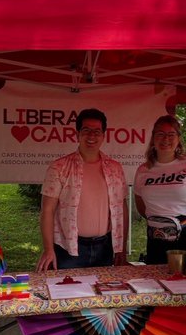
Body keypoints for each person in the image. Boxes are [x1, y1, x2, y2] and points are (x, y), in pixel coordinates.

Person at [37, 109, 129, 271]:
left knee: (103, 295)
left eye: (97, 131)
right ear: (77, 134)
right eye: (86, 130)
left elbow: (122, 208)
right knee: (67, 295)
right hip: (68, 249)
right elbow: (47, 210)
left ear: (103, 135)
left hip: (105, 248)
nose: (91, 136)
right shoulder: (59, 167)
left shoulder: (115, 168)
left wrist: (121, 248)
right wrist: (49, 249)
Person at [133, 116, 186, 265]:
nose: (165, 139)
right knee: (156, 282)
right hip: (157, 238)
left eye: (171, 134)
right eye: (160, 134)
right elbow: (141, 206)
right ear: (153, 138)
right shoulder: (143, 170)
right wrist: (163, 223)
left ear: (178, 138)